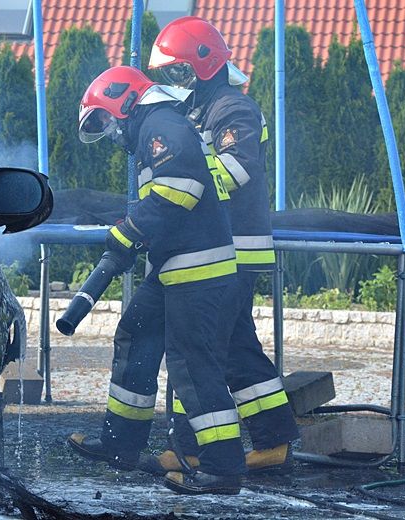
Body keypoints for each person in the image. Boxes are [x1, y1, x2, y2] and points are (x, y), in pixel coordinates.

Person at [67, 65, 245, 494]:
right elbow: (167, 202)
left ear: (124, 101)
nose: (109, 133)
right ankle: (120, 446)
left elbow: (177, 190)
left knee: (192, 364)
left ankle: (223, 468)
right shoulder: (157, 127)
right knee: (135, 335)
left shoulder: (161, 125)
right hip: (174, 269)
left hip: (198, 273)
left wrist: (127, 235)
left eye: (106, 120)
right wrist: (134, 233)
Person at [142, 16, 300, 476]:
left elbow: (236, 169)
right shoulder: (199, 107)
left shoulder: (234, 108)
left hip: (232, 251)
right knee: (232, 349)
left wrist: (182, 181)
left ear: (206, 64)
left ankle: (194, 449)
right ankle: (274, 440)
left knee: (199, 350)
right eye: (170, 74)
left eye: (180, 70)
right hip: (218, 249)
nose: (175, 81)